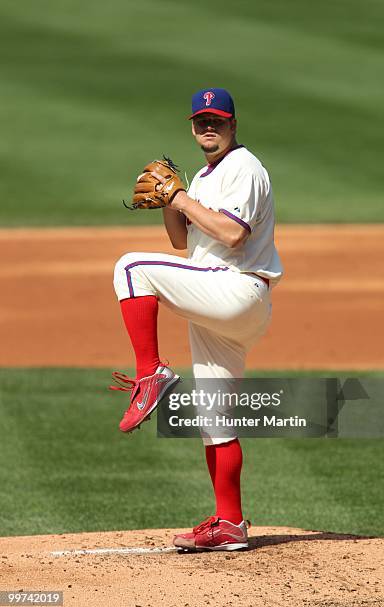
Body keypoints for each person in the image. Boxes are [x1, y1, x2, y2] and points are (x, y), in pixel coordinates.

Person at [112, 87, 283, 552]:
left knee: (130, 268)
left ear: (233, 123)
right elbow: (180, 243)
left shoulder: (244, 168)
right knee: (216, 416)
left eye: (218, 120)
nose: (209, 127)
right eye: (202, 120)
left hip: (236, 287)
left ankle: (151, 373)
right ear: (192, 126)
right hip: (222, 298)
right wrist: (171, 200)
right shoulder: (205, 177)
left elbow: (230, 233)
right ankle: (230, 524)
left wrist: (182, 197)